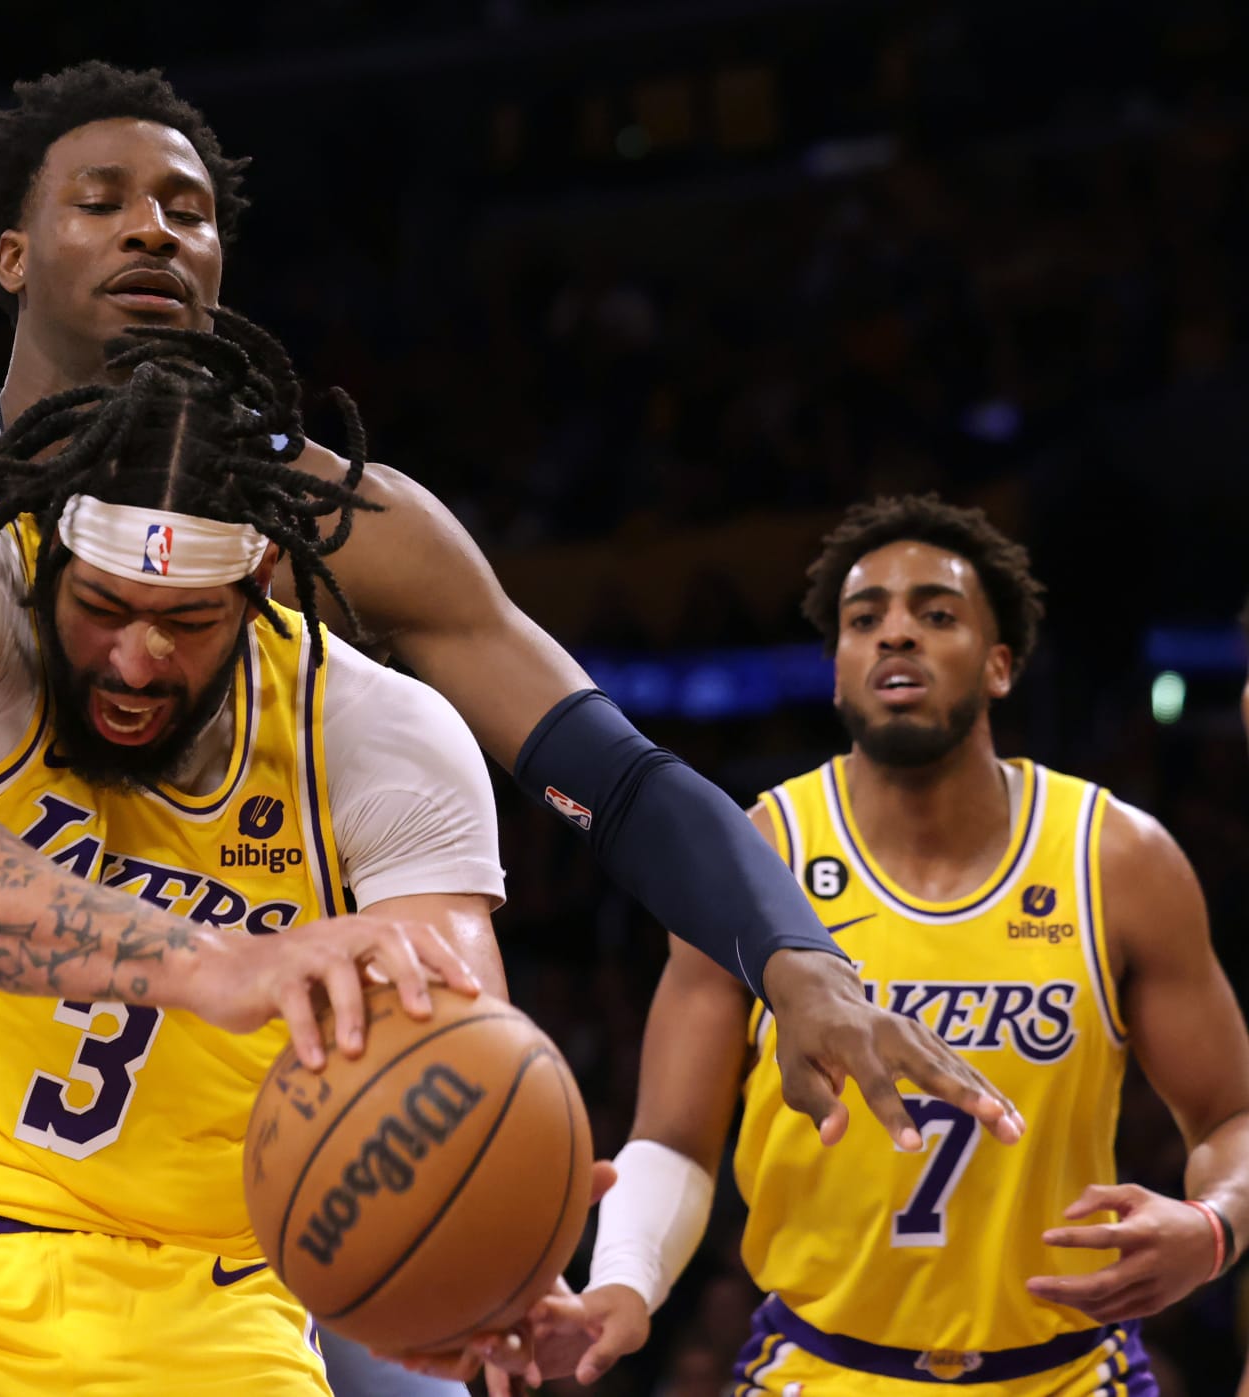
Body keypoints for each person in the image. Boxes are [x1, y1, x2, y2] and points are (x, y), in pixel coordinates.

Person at [0, 61, 1013, 1394]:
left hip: (209, 1282)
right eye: (100, 200)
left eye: (186, 207)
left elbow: (608, 784)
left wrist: (796, 965)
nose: (150, 230)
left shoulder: (347, 561)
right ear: (10, 253)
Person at [0, 315, 520, 1394]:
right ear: (53, 545)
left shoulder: (379, 738)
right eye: (100, 607)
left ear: (263, 575)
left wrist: (487, 1250)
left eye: (187, 622)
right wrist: (219, 962)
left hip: (211, 1301)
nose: (135, 660)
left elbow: (454, 1054)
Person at [509, 494, 1249, 1394]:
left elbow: (1231, 1116)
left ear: (1000, 664)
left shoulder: (1119, 857)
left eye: (936, 614)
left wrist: (1213, 1226)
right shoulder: (758, 852)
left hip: (1066, 1370)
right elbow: (672, 1134)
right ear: (837, 672)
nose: (896, 633)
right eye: (866, 620)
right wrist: (623, 1281)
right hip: (824, 1369)